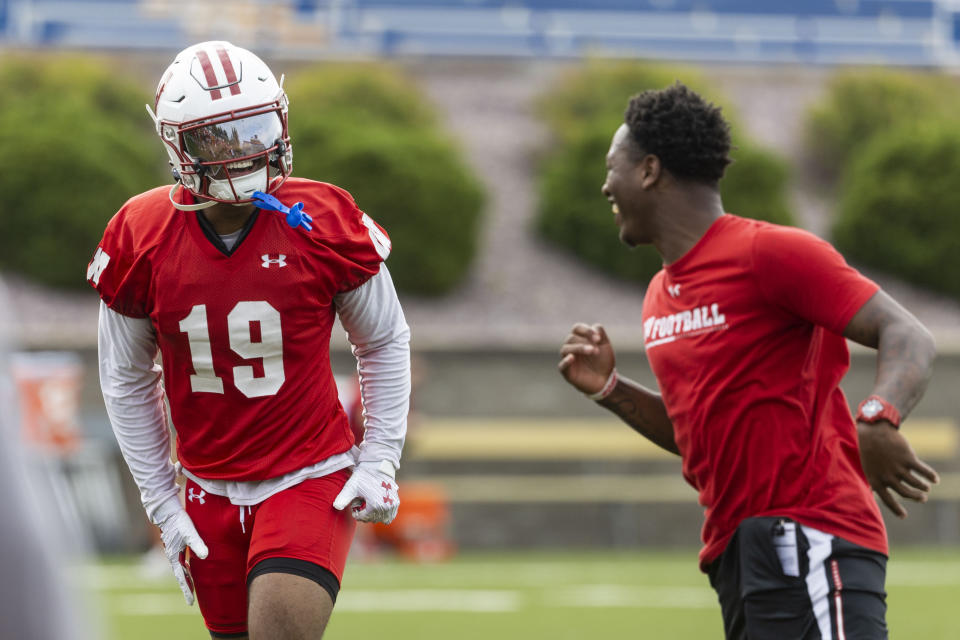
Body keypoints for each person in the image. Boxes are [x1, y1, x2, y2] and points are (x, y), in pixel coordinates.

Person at [558, 82, 938, 639]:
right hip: (735, 552)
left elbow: (907, 333)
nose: (604, 184)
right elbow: (701, 434)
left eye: (612, 167)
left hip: (812, 535)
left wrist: (878, 416)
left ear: (649, 170)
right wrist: (611, 389)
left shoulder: (770, 253)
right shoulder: (659, 296)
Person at [88, 41, 411, 639]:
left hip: (308, 473)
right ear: (178, 146)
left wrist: (380, 458)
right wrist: (162, 500)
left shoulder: (321, 217)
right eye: (219, 137)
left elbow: (384, 339)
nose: (243, 149)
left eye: (256, 127)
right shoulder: (140, 232)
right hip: (206, 484)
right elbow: (127, 378)